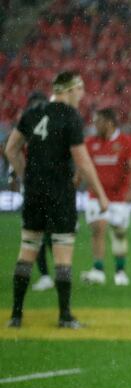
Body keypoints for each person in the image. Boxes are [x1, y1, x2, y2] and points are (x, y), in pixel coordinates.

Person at [5, 70, 109, 328]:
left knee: (27, 249)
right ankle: (64, 316)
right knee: (63, 253)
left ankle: (16, 315)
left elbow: (11, 149)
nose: (83, 95)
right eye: (80, 89)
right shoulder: (70, 116)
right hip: (59, 192)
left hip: (34, 193)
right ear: (68, 89)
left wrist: (26, 177)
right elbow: (82, 160)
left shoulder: (33, 113)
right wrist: (100, 192)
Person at [80, 107, 131, 286]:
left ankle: (120, 272)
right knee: (98, 228)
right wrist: (77, 178)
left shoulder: (126, 142)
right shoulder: (90, 143)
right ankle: (98, 270)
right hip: (96, 196)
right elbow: (83, 164)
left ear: (109, 123)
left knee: (119, 233)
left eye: (98, 121)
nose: (94, 125)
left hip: (119, 197)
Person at [6, 91, 55, 292]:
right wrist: (17, 178)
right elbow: (13, 153)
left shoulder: (54, 130)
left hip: (52, 189)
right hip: (34, 190)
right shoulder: (26, 132)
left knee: (53, 235)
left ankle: (58, 274)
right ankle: (46, 275)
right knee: (38, 235)